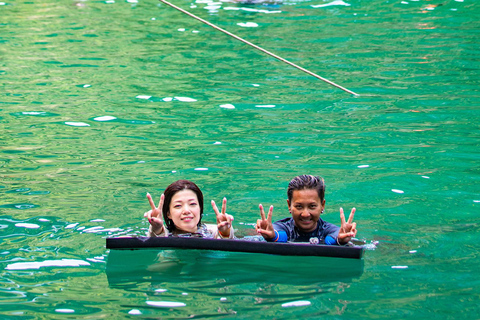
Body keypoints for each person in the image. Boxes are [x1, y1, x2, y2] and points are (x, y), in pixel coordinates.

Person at [255, 175, 356, 245]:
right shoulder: (281, 228)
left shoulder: (329, 231)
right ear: (289, 205)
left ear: (322, 205)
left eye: (312, 206)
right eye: (299, 206)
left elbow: (332, 239)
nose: (305, 214)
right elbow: (280, 236)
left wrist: (340, 240)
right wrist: (272, 236)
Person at [144, 180, 234, 239]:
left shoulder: (212, 232)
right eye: (178, 206)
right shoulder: (166, 235)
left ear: (200, 209)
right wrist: (156, 228)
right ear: (168, 214)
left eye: (192, 204)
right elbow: (157, 238)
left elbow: (226, 243)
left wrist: (225, 232)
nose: (186, 210)